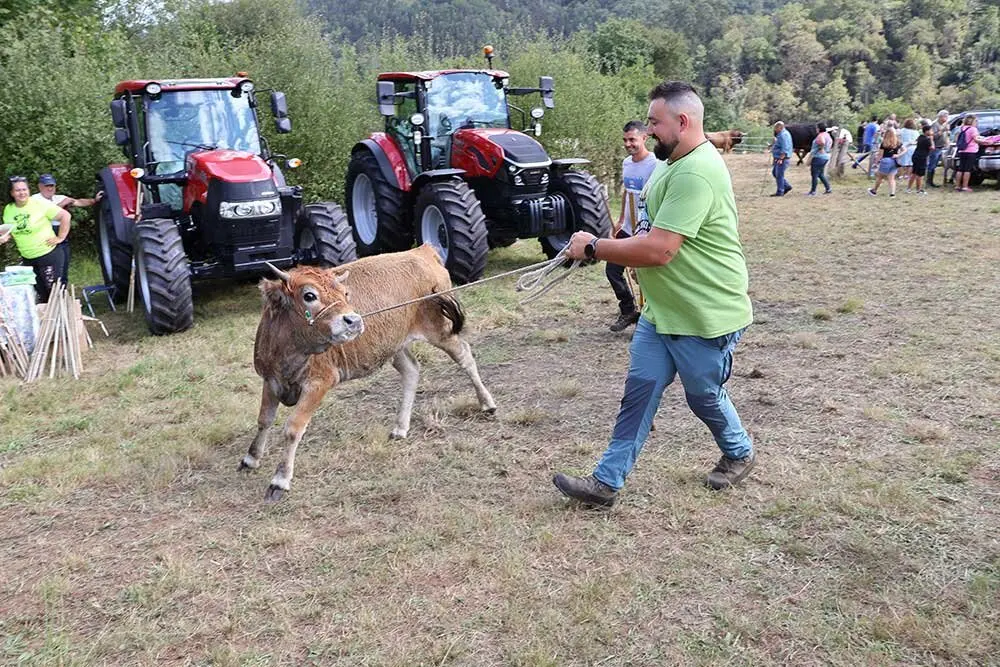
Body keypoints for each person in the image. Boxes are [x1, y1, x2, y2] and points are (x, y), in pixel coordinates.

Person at [551, 81, 755, 508]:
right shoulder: (670, 160)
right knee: (639, 393)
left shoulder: (697, 172)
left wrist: (594, 247)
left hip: (705, 315)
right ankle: (606, 483)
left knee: (704, 397)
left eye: (654, 122)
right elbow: (647, 227)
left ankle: (739, 452)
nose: (646, 130)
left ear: (682, 122)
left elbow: (660, 250)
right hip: (661, 312)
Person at [1, 176, 72, 302]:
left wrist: (60, 237)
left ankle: (61, 319)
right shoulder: (9, 209)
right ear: (11, 193)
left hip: (48, 255)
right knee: (41, 294)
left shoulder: (39, 204)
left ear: (29, 190)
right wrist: (5, 237)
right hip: (28, 258)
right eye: (18, 190)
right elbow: (11, 230)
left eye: (24, 189)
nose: (22, 193)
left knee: (54, 293)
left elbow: (65, 216)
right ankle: (46, 320)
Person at [31, 173, 102, 284]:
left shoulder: (59, 197)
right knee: (50, 268)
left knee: (63, 265)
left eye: (52, 186)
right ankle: (48, 293)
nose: (50, 188)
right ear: (40, 186)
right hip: (45, 235)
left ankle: (62, 291)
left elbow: (78, 202)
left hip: (61, 234)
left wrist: (94, 200)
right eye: (46, 186)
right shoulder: (34, 200)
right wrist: (61, 205)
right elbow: (43, 215)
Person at [953, 115, 985, 192]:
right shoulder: (973, 129)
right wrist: (986, 141)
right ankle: (965, 186)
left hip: (962, 150)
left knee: (960, 169)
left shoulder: (962, 128)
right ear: (973, 121)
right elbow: (976, 139)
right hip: (971, 151)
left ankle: (957, 186)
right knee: (967, 169)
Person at [867, 127, 902, 197]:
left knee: (880, 177)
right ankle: (892, 193)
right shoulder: (898, 142)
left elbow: (880, 155)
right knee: (891, 178)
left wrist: (876, 162)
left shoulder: (884, 143)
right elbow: (905, 149)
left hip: (886, 160)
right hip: (894, 161)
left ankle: (874, 191)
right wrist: (898, 155)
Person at [807, 122, 833, 195]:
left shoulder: (820, 136)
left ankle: (813, 191)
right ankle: (828, 188)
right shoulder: (827, 135)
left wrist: (821, 148)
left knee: (814, 174)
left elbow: (822, 142)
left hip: (818, 157)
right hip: (826, 156)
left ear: (818, 128)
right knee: (820, 174)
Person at [927, 110, 950, 188]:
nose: (947, 118)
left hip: (942, 147)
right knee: (932, 165)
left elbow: (946, 136)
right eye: (945, 116)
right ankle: (929, 182)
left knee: (943, 164)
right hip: (935, 147)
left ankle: (946, 180)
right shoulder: (935, 125)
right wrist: (943, 130)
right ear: (940, 117)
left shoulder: (945, 125)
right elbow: (933, 136)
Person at [907, 124, 932, 195]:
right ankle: (919, 190)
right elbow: (932, 147)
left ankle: (908, 188)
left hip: (916, 156)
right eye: (930, 130)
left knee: (914, 172)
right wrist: (932, 139)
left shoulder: (920, 137)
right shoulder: (927, 139)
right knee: (920, 174)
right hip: (922, 157)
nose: (931, 132)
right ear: (926, 131)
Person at [770, 121, 793, 196]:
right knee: (775, 173)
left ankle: (780, 191)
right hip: (780, 157)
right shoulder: (783, 134)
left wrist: (781, 158)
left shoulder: (783, 135)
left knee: (779, 175)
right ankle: (786, 186)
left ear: (780, 127)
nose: (775, 130)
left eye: (776, 128)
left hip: (782, 158)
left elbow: (785, 148)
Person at [898, 119, 919, 188]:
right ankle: (907, 175)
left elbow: (899, 138)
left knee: (901, 162)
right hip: (912, 147)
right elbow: (917, 140)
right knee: (910, 163)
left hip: (903, 146)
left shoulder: (902, 130)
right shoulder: (915, 132)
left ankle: (901, 175)